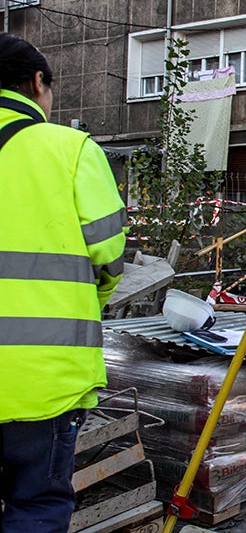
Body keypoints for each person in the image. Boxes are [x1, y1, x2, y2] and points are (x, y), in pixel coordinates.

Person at [0, 33, 127, 532]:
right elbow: (109, 255)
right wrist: (81, 301)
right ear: (38, 84)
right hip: (44, 383)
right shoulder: (68, 149)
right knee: (36, 508)